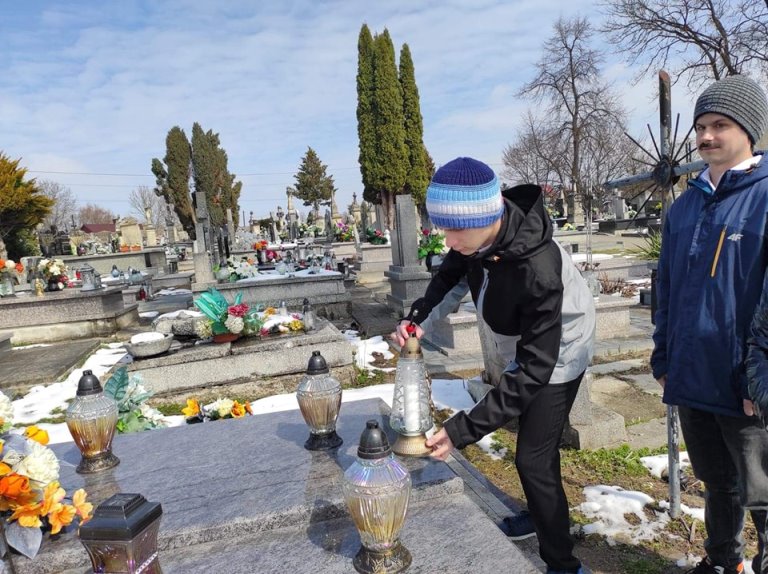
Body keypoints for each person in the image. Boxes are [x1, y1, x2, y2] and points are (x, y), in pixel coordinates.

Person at [391, 157, 595, 574]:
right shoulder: (474, 240)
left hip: (561, 347)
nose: (449, 241)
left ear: (489, 217)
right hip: (521, 341)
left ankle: (563, 564)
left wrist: (462, 430)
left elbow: (536, 369)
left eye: (456, 230)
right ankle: (539, 515)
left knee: (533, 458)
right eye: (443, 229)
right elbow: (448, 278)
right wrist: (419, 319)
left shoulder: (537, 269)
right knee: (529, 446)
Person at [650, 74, 768, 574]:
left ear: (749, 130)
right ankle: (723, 560)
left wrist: (760, 378)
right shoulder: (685, 206)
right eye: (701, 126)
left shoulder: (763, 198)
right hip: (693, 376)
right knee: (718, 482)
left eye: (720, 124)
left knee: (762, 489)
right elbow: (667, 287)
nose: (706, 136)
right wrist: (663, 357)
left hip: (745, 382)